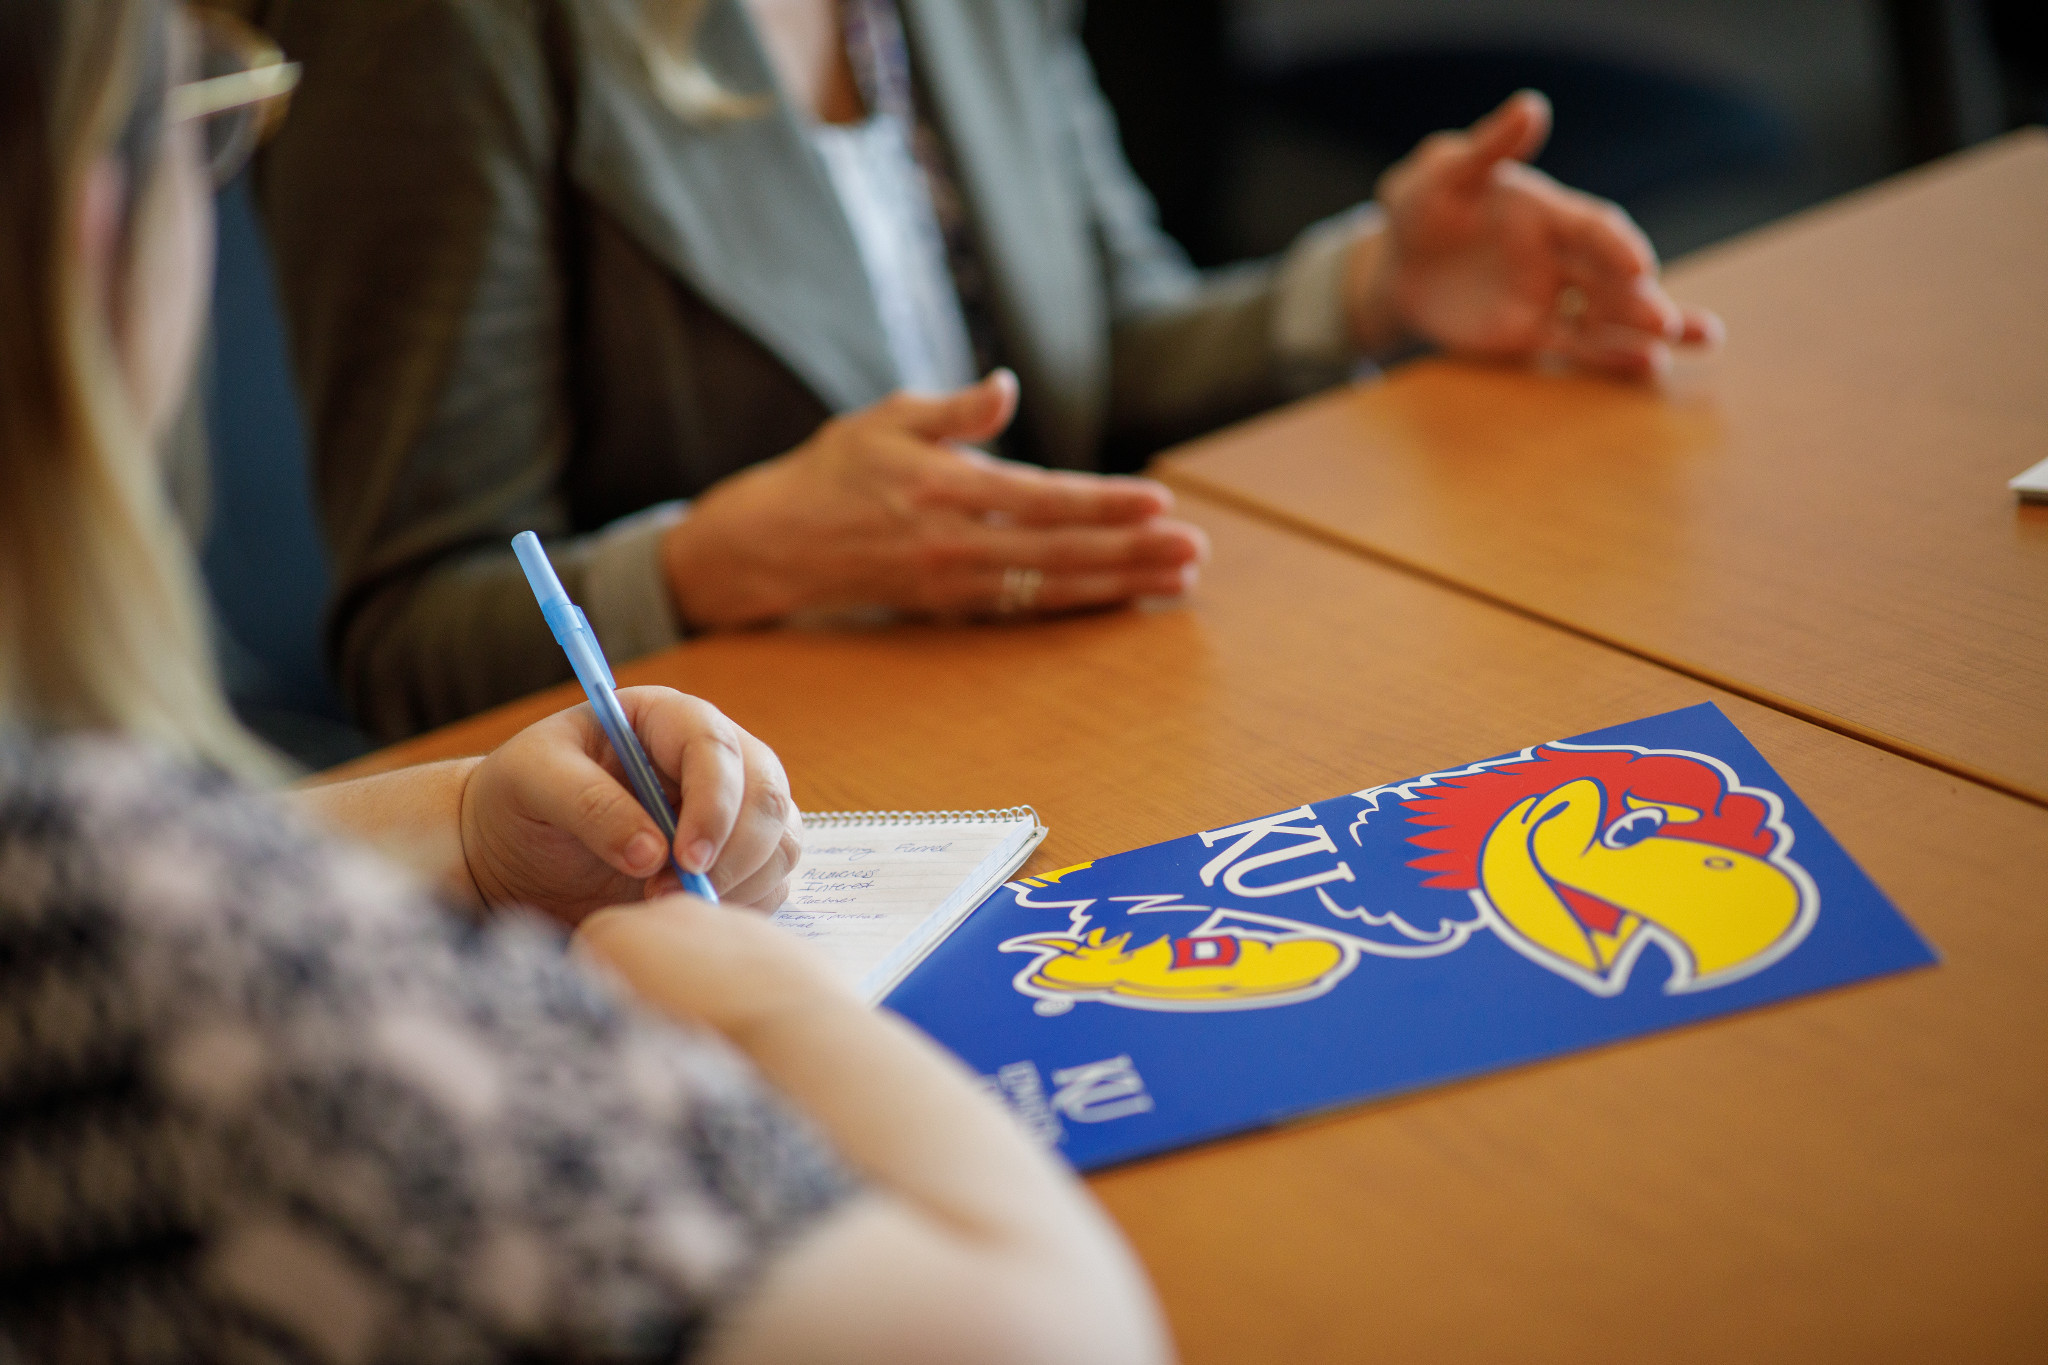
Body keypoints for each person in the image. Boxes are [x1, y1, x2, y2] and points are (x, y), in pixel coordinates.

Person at [0, 4, 1172, 1360]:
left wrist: (458, 826)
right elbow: (1044, 1338)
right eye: (210, 123)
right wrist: (746, 990)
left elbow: (1117, 320)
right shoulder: (130, 945)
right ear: (87, 233)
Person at [249, 0, 1720, 740]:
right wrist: (717, 560)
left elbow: (1093, 369)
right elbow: (408, 634)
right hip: (763, 836)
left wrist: (1364, 287)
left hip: (1059, 720)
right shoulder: (435, 28)